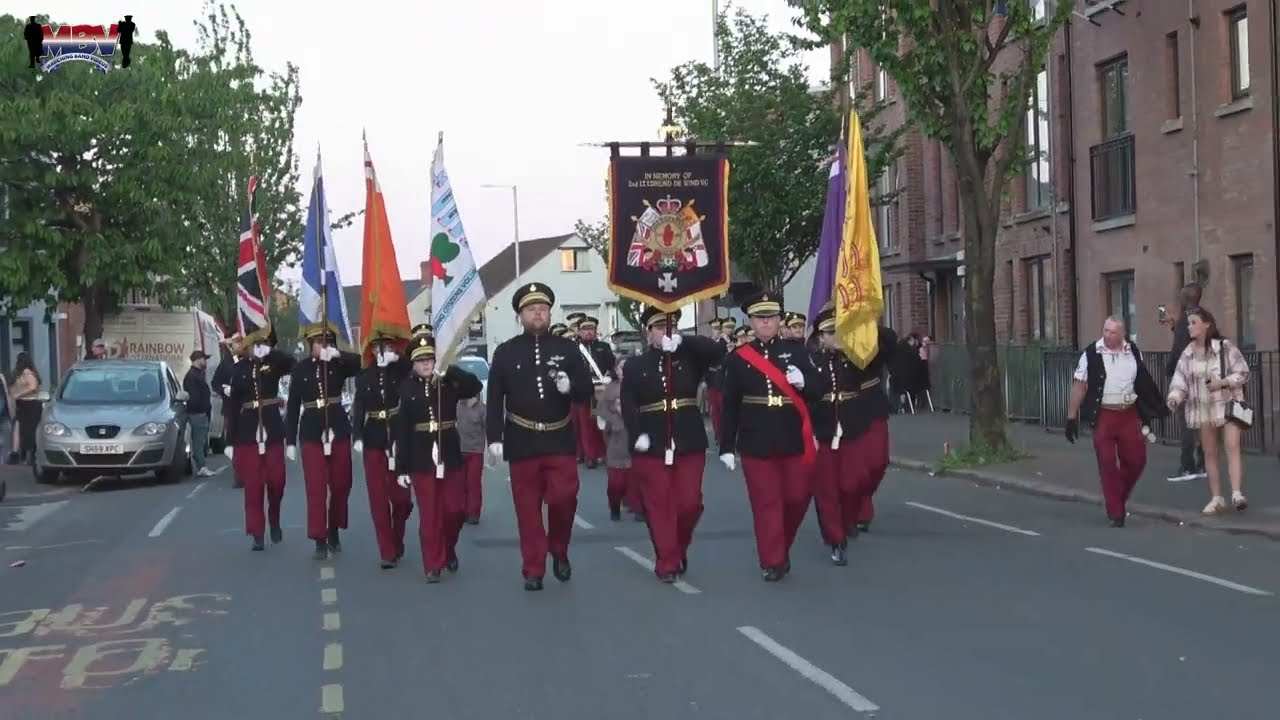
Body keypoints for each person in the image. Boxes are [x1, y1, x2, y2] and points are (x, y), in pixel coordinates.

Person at [487, 283, 594, 591]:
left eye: (543, 309)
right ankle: (533, 568)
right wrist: (494, 437)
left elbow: (586, 390)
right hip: (521, 439)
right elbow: (495, 399)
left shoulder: (567, 349)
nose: (538, 313)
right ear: (520, 315)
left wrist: (569, 388)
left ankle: (559, 550)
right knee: (528, 510)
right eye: (532, 309)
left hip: (559, 437)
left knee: (564, 498)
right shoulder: (506, 352)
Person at [718, 291, 822, 581]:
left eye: (771, 318)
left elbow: (819, 389)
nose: (766, 323)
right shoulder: (739, 358)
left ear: (779, 320)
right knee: (766, 502)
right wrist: (727, 445)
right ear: (751, 322)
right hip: (756, 438)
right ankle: (772, 560)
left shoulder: (797, 351)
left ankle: (781, 546)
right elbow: (730, 404)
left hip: (792, 435)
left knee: (797, 497)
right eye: (760, 318)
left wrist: (804, 382)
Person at [623, 307, 727, 581]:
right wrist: (637, 435)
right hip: (652, 441)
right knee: (659, 503)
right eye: (659, 328)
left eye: (670, 328)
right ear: (648, 333)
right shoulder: (635, 366)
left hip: (688, 438)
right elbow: (628, 405)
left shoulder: (690, 357)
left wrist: (685, 341)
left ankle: (677, 548)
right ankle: (666, 561)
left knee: (689, 503)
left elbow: (718, 353)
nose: (665, 333)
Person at [808, 306, 897, 564]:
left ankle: (848, 520)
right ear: (820, 337)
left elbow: (886, 344)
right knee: (827, 489)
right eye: (829, 332)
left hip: (852, 425)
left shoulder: (857, 357)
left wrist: (866, 321)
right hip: (823, 429)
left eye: (839, 331)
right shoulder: (811, 361)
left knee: (852, 482)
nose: (835, 336)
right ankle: (835, 540)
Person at [396, 336, 484, 582]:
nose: (426, 364)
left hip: (450, 454)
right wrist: (401, 467)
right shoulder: (406, 387)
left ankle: (448, 549)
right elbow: (402, 429)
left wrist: (450, 370)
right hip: (421, 458)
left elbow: (474, 386)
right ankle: (432, 565)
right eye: (421, 360)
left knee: (454, 510)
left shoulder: (448, 382)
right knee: (430, 514)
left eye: (429, 359)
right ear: (413, 363)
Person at [1064, 316, 1167, 526]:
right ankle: (1116, 512)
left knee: (1137, 460)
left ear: (1122, 334)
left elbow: (1142, 380)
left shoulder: (1133, 351)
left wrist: (1155, 406)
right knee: (1107, 461)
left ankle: (1117, 496)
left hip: (1129, 412)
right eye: (1105, 330)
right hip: (1104, 414)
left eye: (1112, 332)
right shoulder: (1091, 354)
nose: (1107, 335)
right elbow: (1079, 386)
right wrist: (1071, 416)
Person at [285, 327, 363, 560]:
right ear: (310, 344)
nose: (322, 346)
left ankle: (334, 528)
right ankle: (319, 538)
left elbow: (361, 364)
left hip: (337, 427)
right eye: (318, 342)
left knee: (342, 483)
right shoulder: (300, 369)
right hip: (311, 431)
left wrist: (338, 355)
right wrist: (290, 440)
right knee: (316, 488)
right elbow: (291, 407)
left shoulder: (338, 365)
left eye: (327, 342)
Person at [1166, 308, 1251, 514]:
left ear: (1207, 324)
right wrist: (1174, 398)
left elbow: (1243, 372)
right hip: (1202, 408)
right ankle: (1217, 498)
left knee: (1232, 446)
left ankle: (1237, 493)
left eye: (1194, 322)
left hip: (1227, 404)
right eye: (1188, 323)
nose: (1190, 327)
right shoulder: (1187, 353)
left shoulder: (1224, 347)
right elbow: (1180, 381)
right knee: (1209, 453)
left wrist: (1222, 382)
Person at [224, 330, 296, 550]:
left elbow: (291, 363)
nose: (258, 347)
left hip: (272, 429)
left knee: (277, 481)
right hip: (247, 432)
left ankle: (274, 519)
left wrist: (271, 352)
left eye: (262, 344)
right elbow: (232, 407)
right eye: (255, 344)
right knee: (253, 486)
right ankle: (256, 531)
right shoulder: (239, 370)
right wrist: (230, 441)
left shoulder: (272, 364)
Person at [351, 331, 414, 568]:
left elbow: (415, 373)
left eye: (387, 347)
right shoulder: (365, 376)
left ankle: (397, 539)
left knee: (402, 500)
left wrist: (398, 360)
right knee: (378, 499)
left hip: (399, 437)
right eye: (378, 348)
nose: (383, 352)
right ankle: (386, 552)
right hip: (374, 438)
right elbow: (359, 406)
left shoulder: (402, 371)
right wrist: (357, 434)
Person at [1162, 283, 1207, 481]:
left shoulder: (1184, 321)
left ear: (1187, 298)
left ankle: (1187, 466)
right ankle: (1204, 463)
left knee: (1186, 422)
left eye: (1181, 297)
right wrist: (1174, 327)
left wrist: (1169, 369)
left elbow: (1179, 350)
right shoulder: (1205, 318)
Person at [572, 315, 615, 468]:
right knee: (586, 425)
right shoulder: (575, 349)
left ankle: (604, 454)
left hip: (602, 389)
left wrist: (610, 376)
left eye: (591, 329)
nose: (588, 332)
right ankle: (590, 456)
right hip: (584, 390)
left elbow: (612, 366)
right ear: (579, 331)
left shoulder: (604, 347)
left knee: (603, 424)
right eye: (585, 329)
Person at [597, 357, 634, 520]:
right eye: (621, 367)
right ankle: (614, 506)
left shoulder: (639, 386)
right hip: (617, 435)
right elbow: (602, 410)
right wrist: (615, 419)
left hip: (635, 434)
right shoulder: (611, 388)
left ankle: (637, 506)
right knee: (616, 481)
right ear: (616, 370)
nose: (624, 370)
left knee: (637, 476)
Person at [213, 333, 245, 487]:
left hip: (247, 408)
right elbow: (215, 383)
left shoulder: (251, 362)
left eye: (240, 342)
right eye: (235, 343)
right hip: (230, 408)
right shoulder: (226, 363)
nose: (237, 346)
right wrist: (223, 389)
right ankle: (239, 476)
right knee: (234, 443)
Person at [456, 386, 486, 525]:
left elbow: (488, 428)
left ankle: (473, 512)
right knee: (460, 483)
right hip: (459, 450)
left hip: (475, 451)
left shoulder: (481, 409)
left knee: (473, 483)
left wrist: (492, 448)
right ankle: (462, 511)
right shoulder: (457, 406)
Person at [183, 350, 215, 477]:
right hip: (197, 413)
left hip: (200, 412)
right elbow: (194, 397)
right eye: (204, 359)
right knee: (198, 441)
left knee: (200, 441)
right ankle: (201, 466)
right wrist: (202, 409)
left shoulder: (196, 374)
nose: (205, 362)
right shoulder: (192, 376)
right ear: (197, 360)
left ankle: (201, 465)